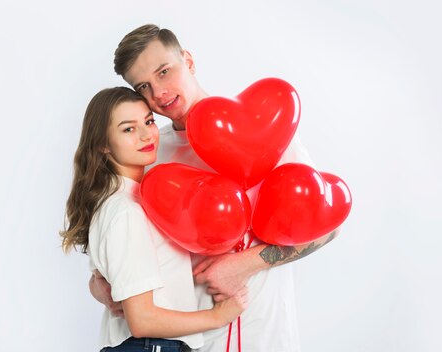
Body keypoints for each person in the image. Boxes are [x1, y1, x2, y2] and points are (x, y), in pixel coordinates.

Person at [91, 24, 341, 351]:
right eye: (144, 87)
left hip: (264, 333)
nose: (159, 93)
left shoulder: (266, 132)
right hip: (189, 341)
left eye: (164, 72)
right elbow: (119, 228)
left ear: (189, 61)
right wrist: (98, 281)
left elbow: (326, 227)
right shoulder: (151, 153)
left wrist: (244, 264)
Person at [61, 87, 247, 352]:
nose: (146, 134)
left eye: (149, 121)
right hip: (147, 345)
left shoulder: (136, 197)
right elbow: (141, 320)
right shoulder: (125, 210)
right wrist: (218, 316)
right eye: (128, 129)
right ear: (103, 144)